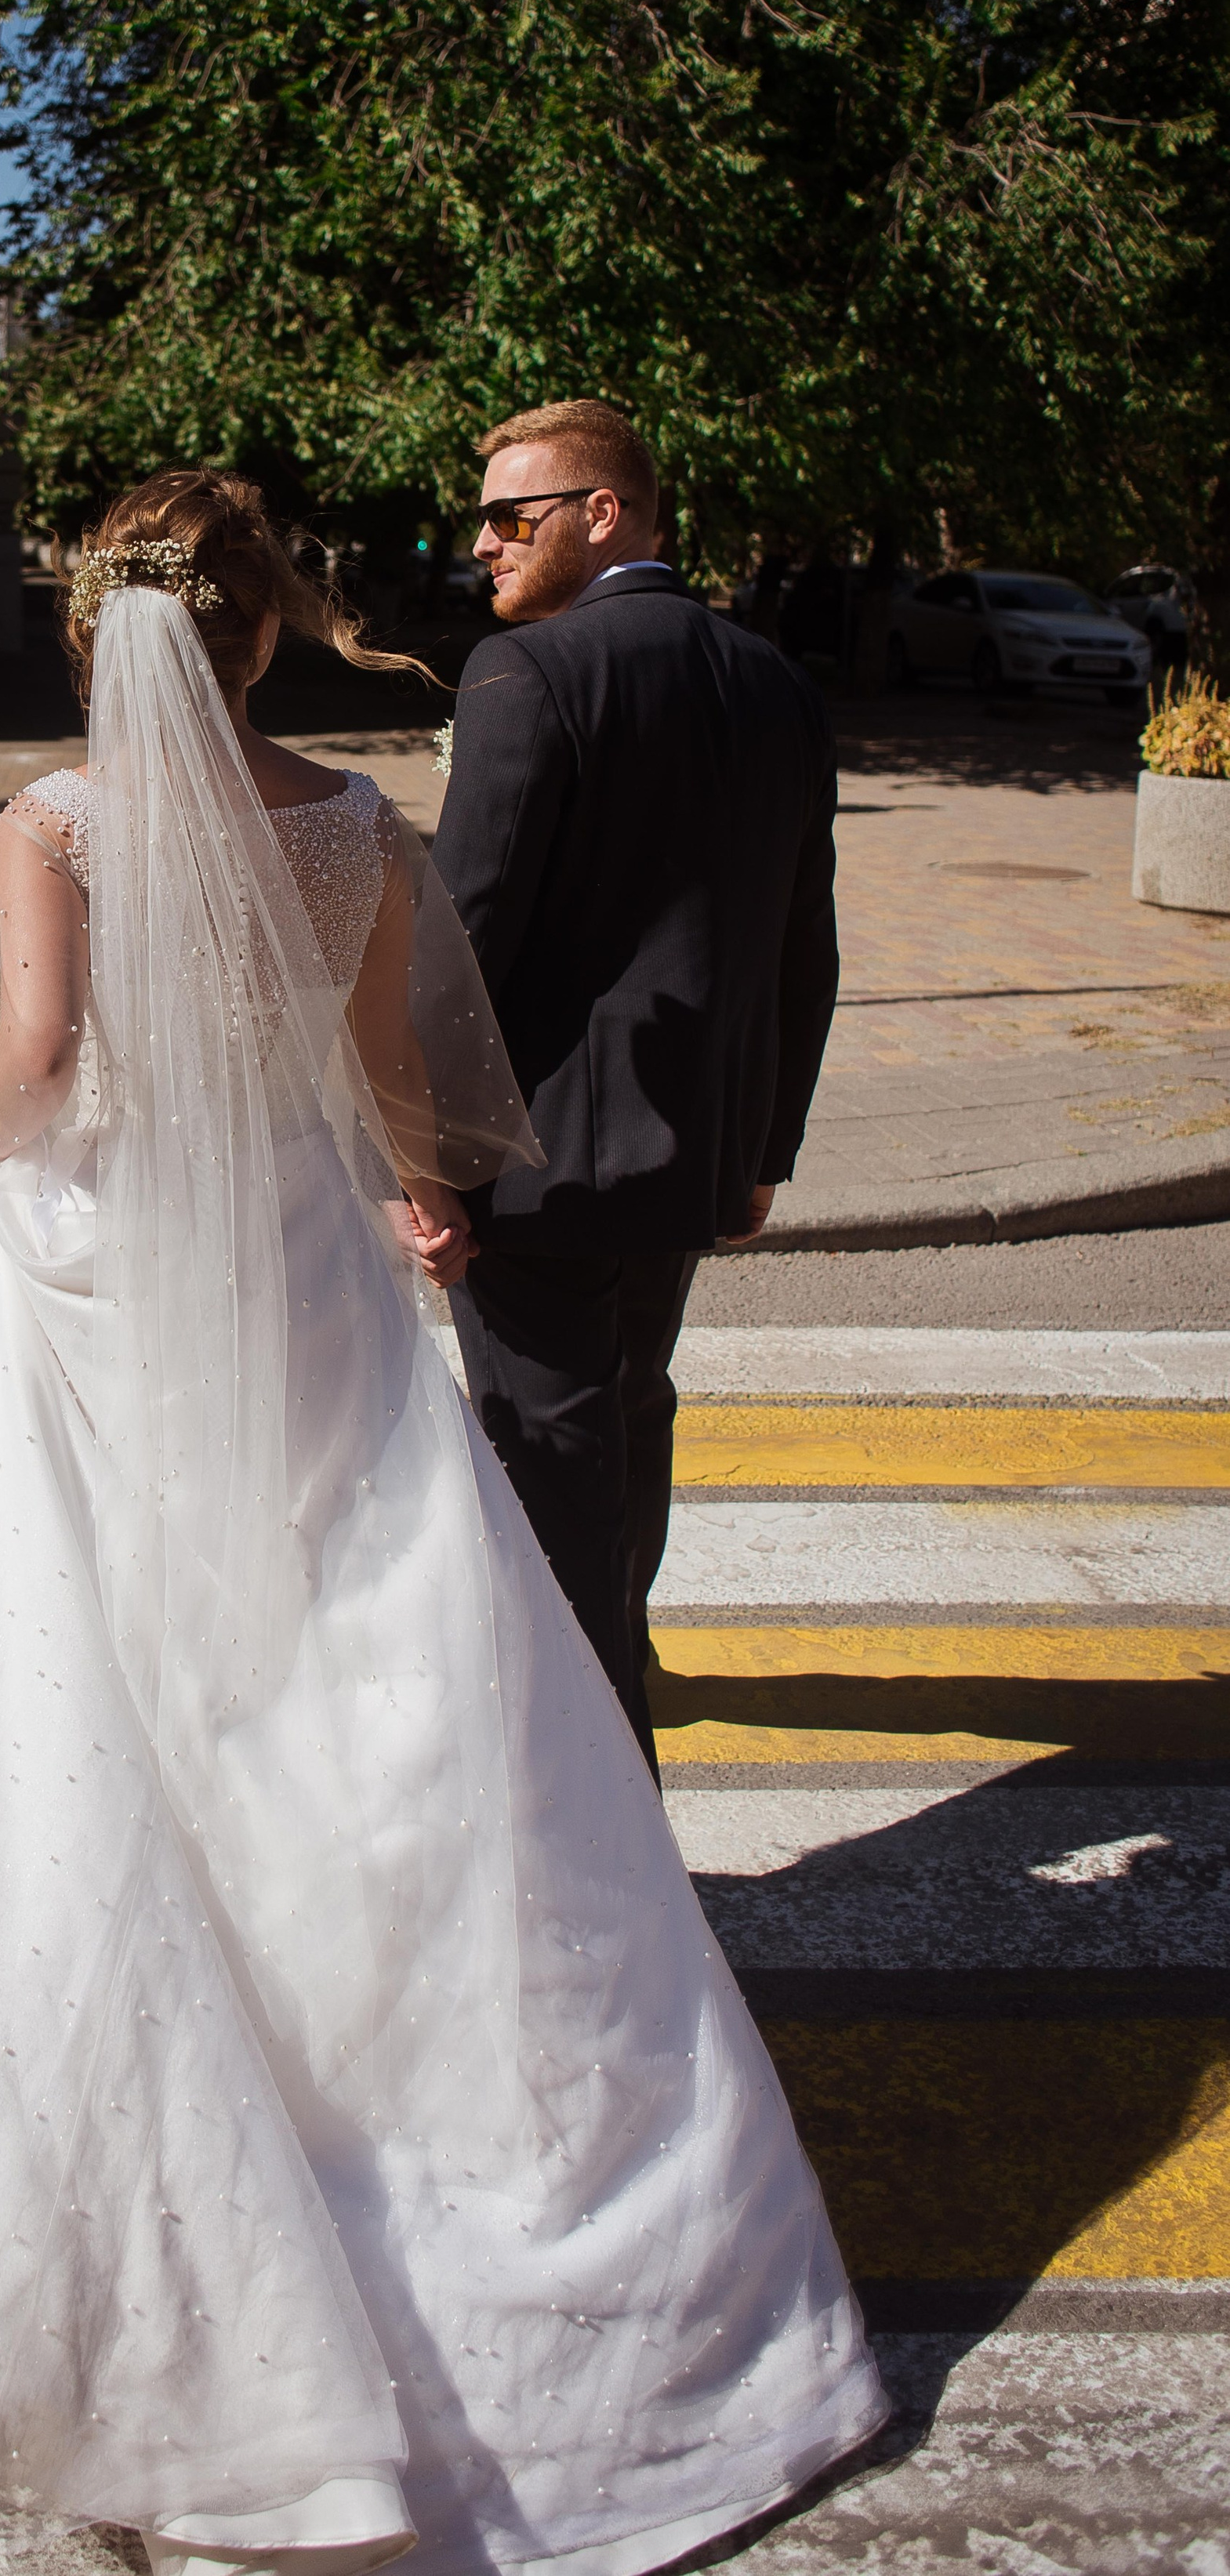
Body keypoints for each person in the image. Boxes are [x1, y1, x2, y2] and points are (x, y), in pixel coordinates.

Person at [0, 469, 883, 2576]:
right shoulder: (357, 828)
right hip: (297, 1280)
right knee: (349, 1689)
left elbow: (30, 1063)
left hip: (95, 1273)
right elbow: (399, 1078)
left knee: (60, 1706)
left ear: (98, 630)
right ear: (271, 627)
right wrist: (420, 1196)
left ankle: (109, 2245)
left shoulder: (56, 823)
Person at [432, 401, 840, 1776]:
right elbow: (805, 943)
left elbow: (464, 939)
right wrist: (765, 1144)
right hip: (692, 1153)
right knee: (629, 1412)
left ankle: (602, 1789)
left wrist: (411, 1162)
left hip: (534, 1163)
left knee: (548, 1460)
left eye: (511, 515)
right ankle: (621, 1644)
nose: (481, 541)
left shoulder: (525, 674)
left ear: (604, 513)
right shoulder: (775, 680)